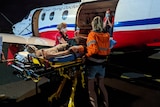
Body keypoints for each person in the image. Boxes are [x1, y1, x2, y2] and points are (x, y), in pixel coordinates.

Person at [82, 16, 110, 107]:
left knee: (91, 89)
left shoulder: (92, 34)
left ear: (93, 24)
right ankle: (106, 103)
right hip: (102, 64)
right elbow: (108, 50)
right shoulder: (106, 35)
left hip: (92, 64)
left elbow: (93, 50)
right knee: (101, 85)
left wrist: (85, 55)